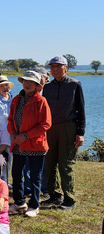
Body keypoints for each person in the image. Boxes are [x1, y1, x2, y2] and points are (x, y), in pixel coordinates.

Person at [42, 55, 85, 211]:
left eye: (58, 66)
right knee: (49, 162)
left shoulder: (75, 84)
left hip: (69, 126)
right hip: (50, 128)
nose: (55, 69)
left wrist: (80, 132)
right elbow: (44, 110)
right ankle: (54, 195)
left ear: (66, 68)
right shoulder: (47, 87)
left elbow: (81, 110)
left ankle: (69, 198)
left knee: (66, 164)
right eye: (52, 66)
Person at [7, 71, 51, 217]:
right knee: (17, 174)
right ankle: (19, 202)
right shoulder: (16, 100)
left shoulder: (41, 101)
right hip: (18, 143)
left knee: (34, 176)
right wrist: (14, 135)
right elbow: (10, 121)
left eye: (31, 82)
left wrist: (25, 136)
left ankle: (34, 204)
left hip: (35, 144)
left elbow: (45, 124)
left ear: (37, 85)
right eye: (25, 81)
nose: (27, 84)